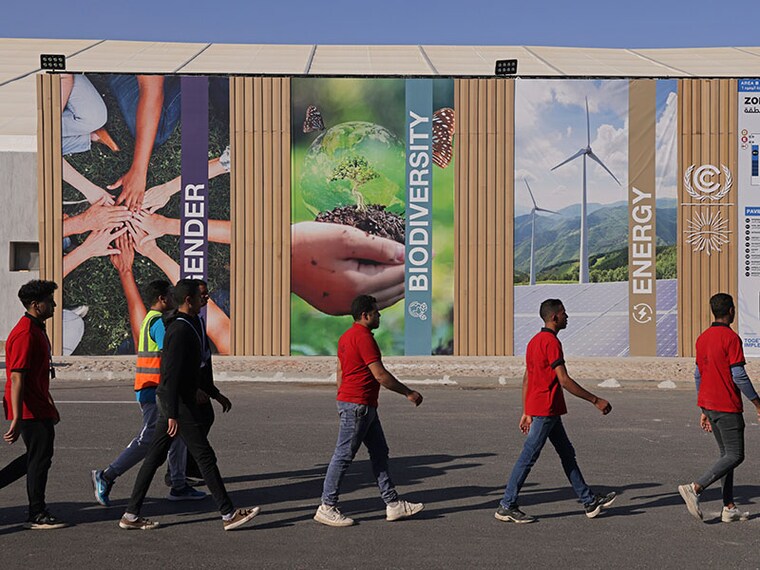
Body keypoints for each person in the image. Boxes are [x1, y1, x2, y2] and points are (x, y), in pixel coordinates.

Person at [119, 279, 258, 531]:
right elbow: (170, 375)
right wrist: (172, 413)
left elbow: (202, 365)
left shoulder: (194, 322)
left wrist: (214, 393)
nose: (207, 299)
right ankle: (228, 514)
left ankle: (130, 515)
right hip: (178, 404)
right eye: (202, 296)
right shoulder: (178, 330)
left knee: (154, 458)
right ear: (188, 300)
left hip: (177, 403)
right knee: (205, 457)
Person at [495, 298, 616, 523]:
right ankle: (507, 505)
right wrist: (595, 399)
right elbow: (564, 380)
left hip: (544, 410)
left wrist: (526, 410)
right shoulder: (550, 342)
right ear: (554, 317)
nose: (567, 317)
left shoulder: (534, 341)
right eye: (564, 313)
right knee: (528, 457)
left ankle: (589, 501)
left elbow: (527, 378)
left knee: (567, 454)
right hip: (546, 410)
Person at [91, 280, 206, 506]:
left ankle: (179, 484)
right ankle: (106, 475)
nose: (174, 300)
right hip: (154, 390)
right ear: (163, 299)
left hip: (154, 389)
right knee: (148, 440)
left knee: (178, 437)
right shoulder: (160, 324)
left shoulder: (150, 320)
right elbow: (173, 359)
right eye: (171, 297)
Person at [313, 294, 424, 527]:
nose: (379, 315)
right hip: (358, 406)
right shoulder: (363, 338)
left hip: (360, 405)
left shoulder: (346, 337)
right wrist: (408, 392)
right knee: (343, 456)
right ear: (365, 315)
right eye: (376, 312)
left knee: (380, 452)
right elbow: (381, 375)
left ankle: (393, 504)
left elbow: (341, 371)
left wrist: (341, 399)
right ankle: (327, 506)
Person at [678, 293, 760, 522]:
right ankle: (695, 488)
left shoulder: (703, 338)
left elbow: (698, 375)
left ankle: (729, 506)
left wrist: (703, 408)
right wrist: (757, 401)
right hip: (727, 406)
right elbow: (739, 375)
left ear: (713, 311)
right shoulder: (731, 338)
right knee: (736, 455)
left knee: (726, 456)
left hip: (710, 405)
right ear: (731, 311)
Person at [0, 280, 66, 529]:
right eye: (50, 301)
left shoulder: (36, 328)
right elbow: (16, 377)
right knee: (40, 458)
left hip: (38, 404)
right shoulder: (25, 333)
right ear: (36, 305)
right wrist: (17, 417)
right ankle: (36, 513)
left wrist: (50, 404)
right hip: (28, 407)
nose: (54, 305)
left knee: (38, 457)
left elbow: (39, 374)